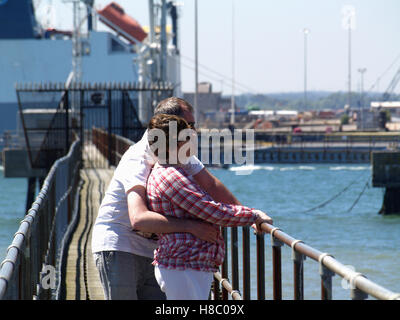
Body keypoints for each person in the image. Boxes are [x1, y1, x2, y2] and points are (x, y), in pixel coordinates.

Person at [91, 97, 260, 300]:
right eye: (189, 125)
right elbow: (138, 218)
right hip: (120, 244)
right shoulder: (138, 158)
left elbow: (210, 184)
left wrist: (247, 215)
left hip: (156, 249)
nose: (193, 131)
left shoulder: (177, 153)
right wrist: (192, 227)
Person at [146, 113, 272, 300]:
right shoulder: (171, 176)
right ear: (178, 144)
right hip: (183, 265)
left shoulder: (168, 171)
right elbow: (211, 211)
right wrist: (253, 215)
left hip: (182, 264)